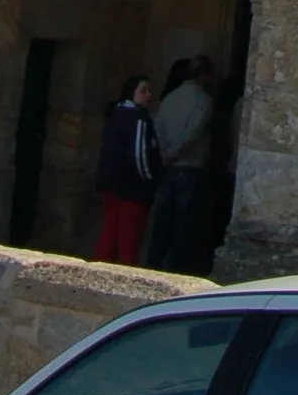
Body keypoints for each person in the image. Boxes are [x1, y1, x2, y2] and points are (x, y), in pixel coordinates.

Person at [143, 55, 216, 273]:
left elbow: (159, 127)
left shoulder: (170, 98)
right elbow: (192, 133)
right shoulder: (202, 100)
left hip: (169, 167)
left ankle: (154, 263)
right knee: (183, 224)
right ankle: (175, 269)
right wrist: (173, 154)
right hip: (189, 167)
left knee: (163, 220)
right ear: (203, 75)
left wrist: (165, 153)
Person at [92, 73, 159, 262]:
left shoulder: (115, 116)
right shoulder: (137, 119)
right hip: (132, 188)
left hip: (111, 183)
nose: (148, 95)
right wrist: (149, 180)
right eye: (143, 90)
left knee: (110, 233)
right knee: (129, 240)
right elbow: (140, 155)